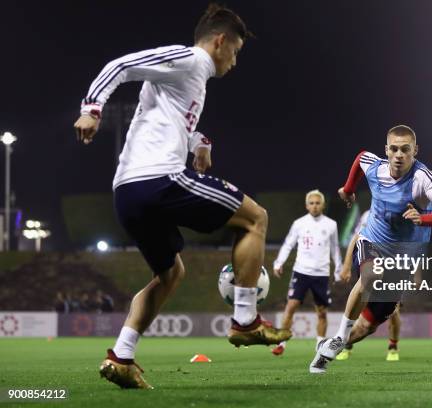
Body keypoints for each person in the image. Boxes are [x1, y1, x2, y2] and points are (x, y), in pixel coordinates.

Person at [74, 4, 291, 389]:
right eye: (236, 51)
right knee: (256, 217)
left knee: (171, 273)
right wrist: (92, 108)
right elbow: (120, 65)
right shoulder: (189, 59)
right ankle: (245, 319)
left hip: (128, 192)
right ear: (220, 41)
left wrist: (200, 142)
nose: (235, 62)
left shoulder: (191, 81)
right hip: (157, 178)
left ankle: (121, 356)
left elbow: (172, 118)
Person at [310, 125, 432, 373]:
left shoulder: (422, 178)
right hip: (373, 240)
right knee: (370, 274)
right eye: (395, 149)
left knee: (367, 327)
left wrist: (424, 219)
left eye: (405, 150)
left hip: (403, 258)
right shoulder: (375, 166)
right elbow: (360, 158)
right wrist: (348, 189)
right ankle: (338, 337)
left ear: (415, 151)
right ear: (386, 150)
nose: (399, 155)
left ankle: (328, 349)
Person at [271, 190, 342, 356]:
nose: (315, 206)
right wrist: (278, 262)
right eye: (312, 203)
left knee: (322, 312)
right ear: (306, 205)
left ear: (322, 205)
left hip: (321, 273)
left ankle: (319, 345)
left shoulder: (331, 224)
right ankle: (281, 343)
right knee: (291, 306)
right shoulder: (299, 223)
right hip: (301, 271)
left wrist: (338, 270)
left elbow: (335, 249)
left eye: (318, 203)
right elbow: (288, 244)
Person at [336, 210, 401, 362]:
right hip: (371, 262)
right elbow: (357, 236)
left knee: (381, 319)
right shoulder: (369, 215)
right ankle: (341, 344)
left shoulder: (408, 213)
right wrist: (346, 266)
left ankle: (392, 347)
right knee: (362, 306)